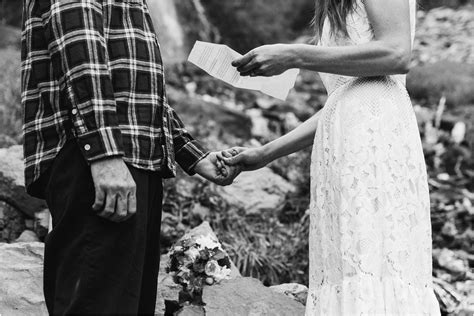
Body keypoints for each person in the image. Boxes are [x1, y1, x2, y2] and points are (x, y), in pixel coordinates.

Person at [220, 0, 442, 314]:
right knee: (350, 265)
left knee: (376, 262)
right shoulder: (332, 5)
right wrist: (265, 154)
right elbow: (341, 99)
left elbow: (397, 53)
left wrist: (294, 55)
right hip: (341, 142)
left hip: (375, 140)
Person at [21, 0, 238, 314]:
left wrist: (194, 156)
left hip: (127, 158)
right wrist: (104, 154)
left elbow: (137, 87)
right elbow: (81, 53)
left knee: (124, 305)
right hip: (97, 160)